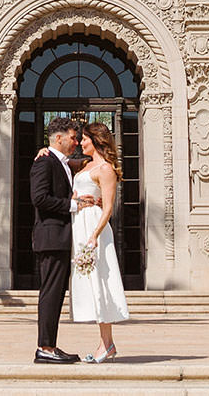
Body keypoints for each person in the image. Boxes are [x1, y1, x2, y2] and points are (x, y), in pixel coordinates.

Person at [29, 115, 96, 363]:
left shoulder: (63, 162)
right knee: (50, 293)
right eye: (72, 137)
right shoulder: (44, 163)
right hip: (51, 236)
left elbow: (83, 160)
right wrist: (73, 205)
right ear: (58, 138)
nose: (76, 142)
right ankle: (44, 348)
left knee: (57, 294)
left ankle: (50, 345)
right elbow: (39, 198)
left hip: (61, 239)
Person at [69, 119, 131, 361]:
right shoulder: (84, 165)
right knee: (89, 281)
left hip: (94, 227)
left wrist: (94, 235)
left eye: (84, 139)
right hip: (79, 224)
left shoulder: (105, 170)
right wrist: (44, 151)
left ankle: (107, 344)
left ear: (95, 141)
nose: (80, 142)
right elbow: (61, 160)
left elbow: (108, 208)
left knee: (100, 281)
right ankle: (107, 344)